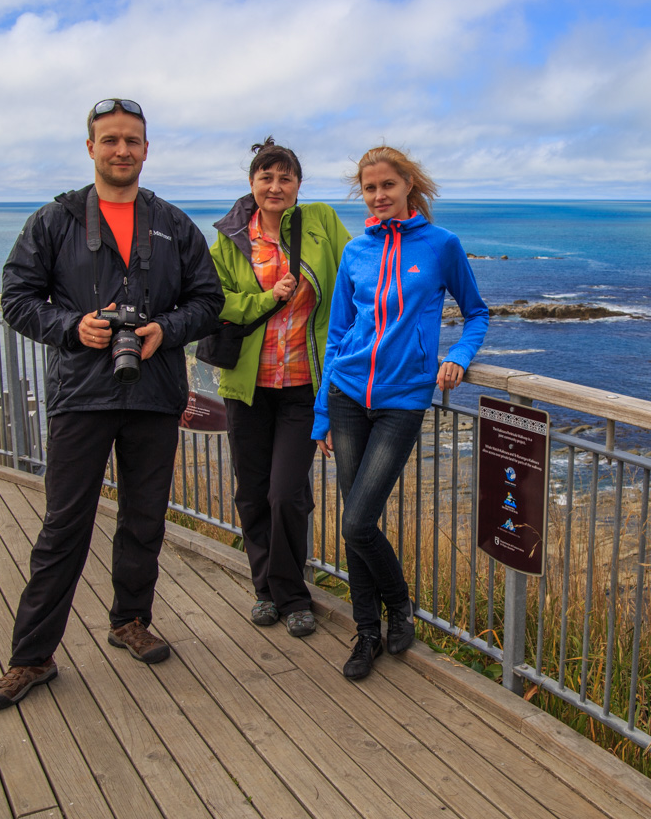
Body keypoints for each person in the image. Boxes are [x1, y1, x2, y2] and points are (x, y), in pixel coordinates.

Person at [0, 98, 224, 710]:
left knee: (144, 520)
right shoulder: (54, 221)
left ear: (146, 150)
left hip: (153, 393)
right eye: (110, 140)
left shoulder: (173, 223)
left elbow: (208, 300)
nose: (122, 150)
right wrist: (72, 327)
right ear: (90, 148)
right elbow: (15, 297)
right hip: (81, 397)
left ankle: (129, 621)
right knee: (63, 527)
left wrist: (163, 331)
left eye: (132, 141)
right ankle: (31, 658)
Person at [312, 146, 489, 680]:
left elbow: (477, 313)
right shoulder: (354, 252)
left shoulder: (441, 246)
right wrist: (321, 412)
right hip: (346, 395)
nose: (379, 195)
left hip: (401, 401)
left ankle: (400, 605)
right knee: (353, 525)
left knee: (358, 520)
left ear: (409, 184)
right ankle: (366, 632)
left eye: (387, 185)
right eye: (369, 189)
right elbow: (338, 332)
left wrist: (457, 356)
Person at [209, 138, 350, 637]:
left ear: (297, 186)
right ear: (252, 184)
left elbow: (358, 275)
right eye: (266, 177)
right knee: (251, 494)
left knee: (286, 493)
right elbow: (216, 303)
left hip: (303, 386)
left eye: (285, 178)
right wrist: (267, 299)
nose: (275, 186)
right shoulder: (229, 241)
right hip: (247, 387)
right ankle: (265, 589)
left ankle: (293, 596)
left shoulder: (321, 223)